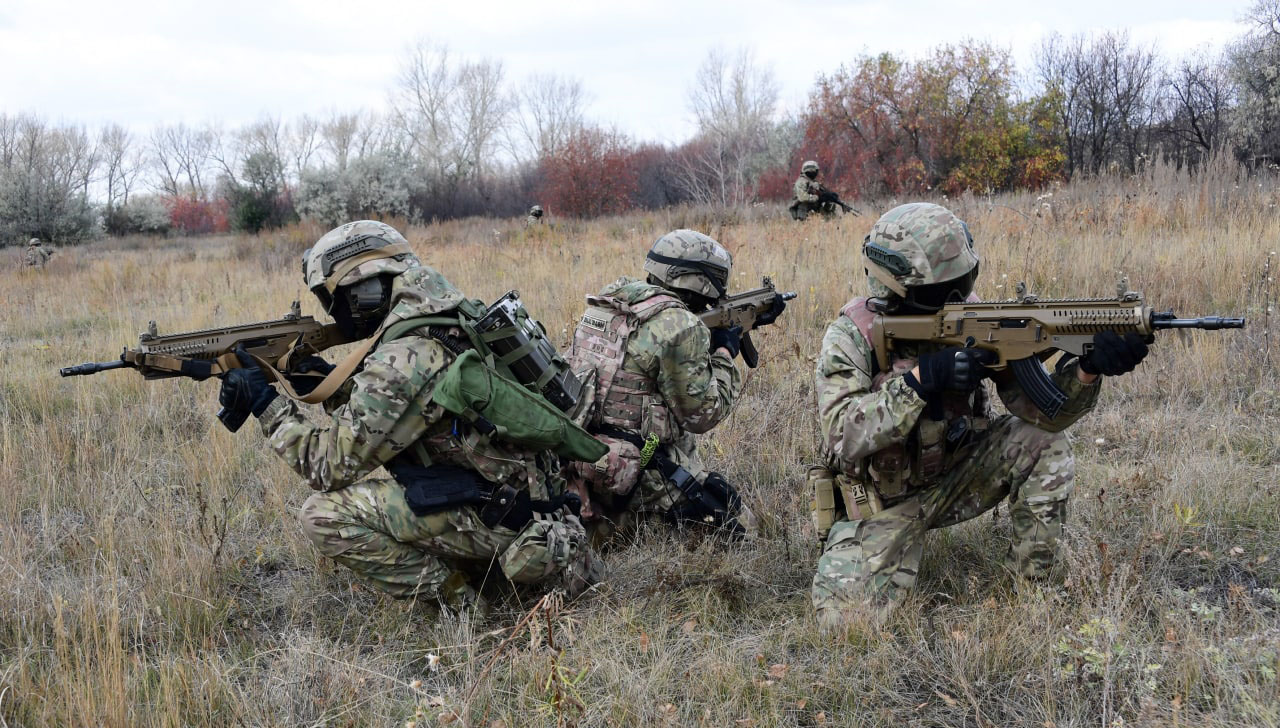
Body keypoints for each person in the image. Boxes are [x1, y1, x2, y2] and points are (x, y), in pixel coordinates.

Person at [216, 220, 602, 611]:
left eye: (332, 298)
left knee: (322, 515)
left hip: (511, 521)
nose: (332, 312)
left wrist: (268, 407)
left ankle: (463, 604)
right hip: (530, 505)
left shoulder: (405, 355)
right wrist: (316, 378)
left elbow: (327, 465)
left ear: (363, 291)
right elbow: (401, 413)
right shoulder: (445, 314)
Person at [809, 202, 1150, 630]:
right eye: (941, 291)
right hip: (879, 502)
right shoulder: (851, 337)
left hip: (958, 475)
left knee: (1045, 445)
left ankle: (1030, 595)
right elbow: (842, 435)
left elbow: (1044, 415)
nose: (956, 298)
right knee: (843, 627)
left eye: (963, 283)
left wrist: (1086, 369)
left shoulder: (975, 317)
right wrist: (920, 381)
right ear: (895, 288)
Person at [564, 229, 785, 538]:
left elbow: (647, 359)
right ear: (702, 281)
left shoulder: (611, 304)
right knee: (741, 525)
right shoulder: (682, 327)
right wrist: (724, 353)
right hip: (640, 470)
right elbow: (703, 415)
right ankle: (633, 525)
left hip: (590, 461)